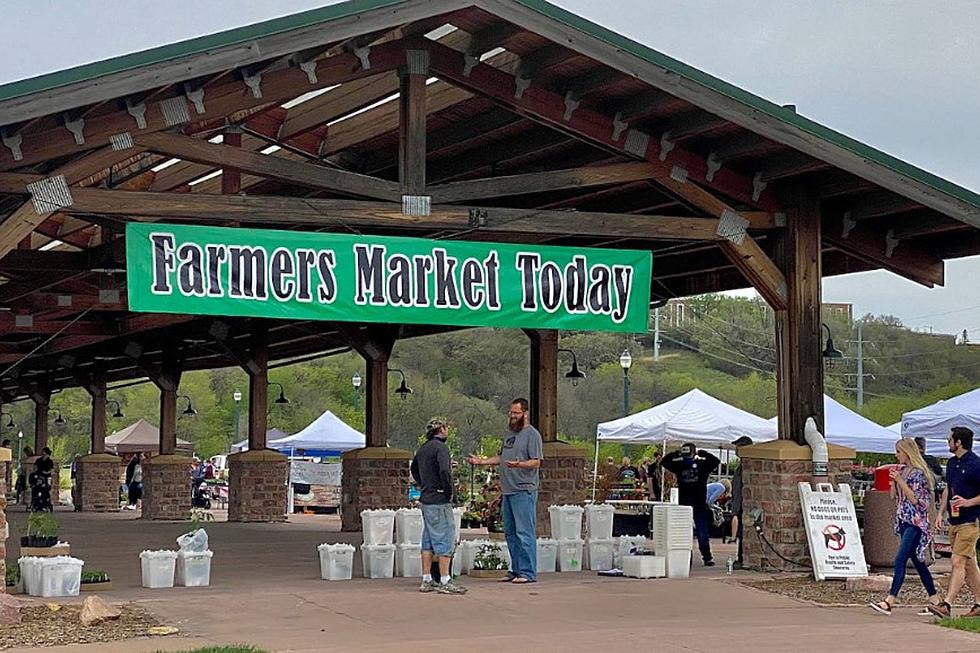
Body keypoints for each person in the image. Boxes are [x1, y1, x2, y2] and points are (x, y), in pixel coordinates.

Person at [468, 398, 543, 584]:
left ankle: (527, 572)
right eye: (511, 413)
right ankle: (515, 569)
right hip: (508, 490)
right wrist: (482, 461)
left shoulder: (532, 435)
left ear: (525, 413)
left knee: (524, 532)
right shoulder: (510, 434)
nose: (512, 416)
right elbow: (501, 457)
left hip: (523, 489)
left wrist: (520, 465)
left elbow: (536, 461)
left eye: (516, 413)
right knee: (510, 532)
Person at [870, 438, 940, 614]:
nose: (896, 455)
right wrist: (893, 483)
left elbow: (917, 500)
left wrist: (900, 482)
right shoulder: (902, 471)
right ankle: (935, 600)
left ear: (908, 453)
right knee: (918, 562)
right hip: (903, 519)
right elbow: (894, 496)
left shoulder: (918, 474)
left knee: (900, 558)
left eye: (899, 452)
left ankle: (890, 600)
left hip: (916, 522)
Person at [411, 417, 466, 595]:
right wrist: (448, 490)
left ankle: (427, 578)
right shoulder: (441, 448)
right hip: (439, 498)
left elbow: (413, 468)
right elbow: (444, 470)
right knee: (445, 537)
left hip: (426, 497)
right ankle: (445, 579)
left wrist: (423, 483)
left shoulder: (423, 449)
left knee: (428, 538)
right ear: (441, 429)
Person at [929, 427, 980, 618]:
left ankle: (946, 604)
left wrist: (968, 502)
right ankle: (979, 603)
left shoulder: (976, 464)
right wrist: (940, 512)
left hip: (971, 520)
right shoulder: (951, 464)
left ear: (958, 442)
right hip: (954, 520)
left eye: (950, 439)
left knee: (957, 561)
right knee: (969, 564)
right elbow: (948, 490)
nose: (947, 442)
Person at [662, 443, 721, 566]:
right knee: (699, 531)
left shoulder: (682, 465)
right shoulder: (700, 465)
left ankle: (698, 557)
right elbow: (715, 461)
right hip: (693, 504)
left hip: (690, 504)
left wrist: (677, 454)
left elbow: (665, 461)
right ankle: (704, 557)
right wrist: (703, 453)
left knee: (695, 532)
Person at [729, 436, 753, 561]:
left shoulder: (748, 465)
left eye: (738, 447)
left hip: (743, 504)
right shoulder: (741, 465)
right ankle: (740, 556)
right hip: (739, 503)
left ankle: (742, 557)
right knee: (741, 533)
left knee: (744, 532)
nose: (737, 450)